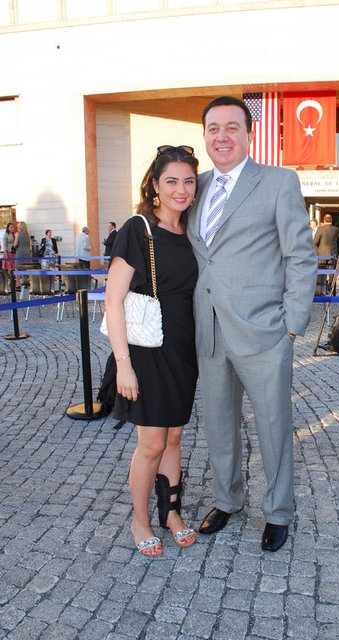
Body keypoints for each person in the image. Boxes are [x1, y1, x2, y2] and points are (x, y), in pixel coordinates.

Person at [186, 96, 317, 553]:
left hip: (265, 332)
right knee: (219, 424)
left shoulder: (279, 181)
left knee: (273, 426)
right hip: (210, 330)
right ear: (205, 136)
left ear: (248, 133)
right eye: (213, 128)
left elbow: (300, 256)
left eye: (231, 127)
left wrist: (291, 325)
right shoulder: (195, 186)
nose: (221, 136)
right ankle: (227, 499)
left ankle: (279, 511)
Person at [104, 145, 199, 557]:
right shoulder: (138, 229)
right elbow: (113, 300)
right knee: (152, 445)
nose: (181, 189)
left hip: (184, 350)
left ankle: (171, 513)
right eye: (171, 181)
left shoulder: (193, 230)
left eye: (188, 181)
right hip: (147, 352)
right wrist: (123, 365)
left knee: (174, 437)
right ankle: (139, 520)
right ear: (155, 185)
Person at [314, 213, 339, 292]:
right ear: (331, 220)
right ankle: (331, 288)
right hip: (333, 253)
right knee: (332, 271)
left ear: (324, 220)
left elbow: (315, 241)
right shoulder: (336, 229)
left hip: (322, 253)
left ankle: (321, 288)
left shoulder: (320, 229)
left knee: (321, 271)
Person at [13, 221, 32, 286]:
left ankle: (18, 283)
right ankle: (25, 282)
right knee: (26, 268)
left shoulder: (17, 234)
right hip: (27, 252)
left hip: (20, 252)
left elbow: (15, 244)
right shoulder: (28, 234)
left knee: (17, 267)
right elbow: (29, 245)